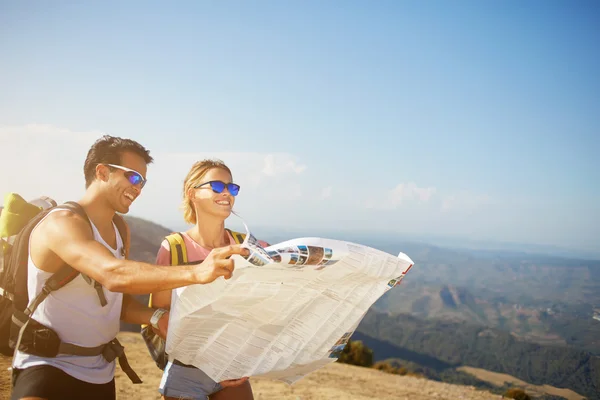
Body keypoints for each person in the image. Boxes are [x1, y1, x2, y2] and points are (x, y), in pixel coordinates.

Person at [10, 136, 248, 400]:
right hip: (46, 368)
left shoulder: (120, 230)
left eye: (142, 182)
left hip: (100, 373)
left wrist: (155, 317)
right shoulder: (62, 223)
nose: (139, 189)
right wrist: (196, 272)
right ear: (102, 171)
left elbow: (117, 303)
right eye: (133, 178)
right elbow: (112, 274)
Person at [150, 159, 268, 400]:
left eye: (231, 187)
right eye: (216, 186)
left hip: (232, 369)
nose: (226, 192)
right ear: (192, 194)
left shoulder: (245, 244)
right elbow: (161, 317)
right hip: (187, 373)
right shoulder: (174, 248)